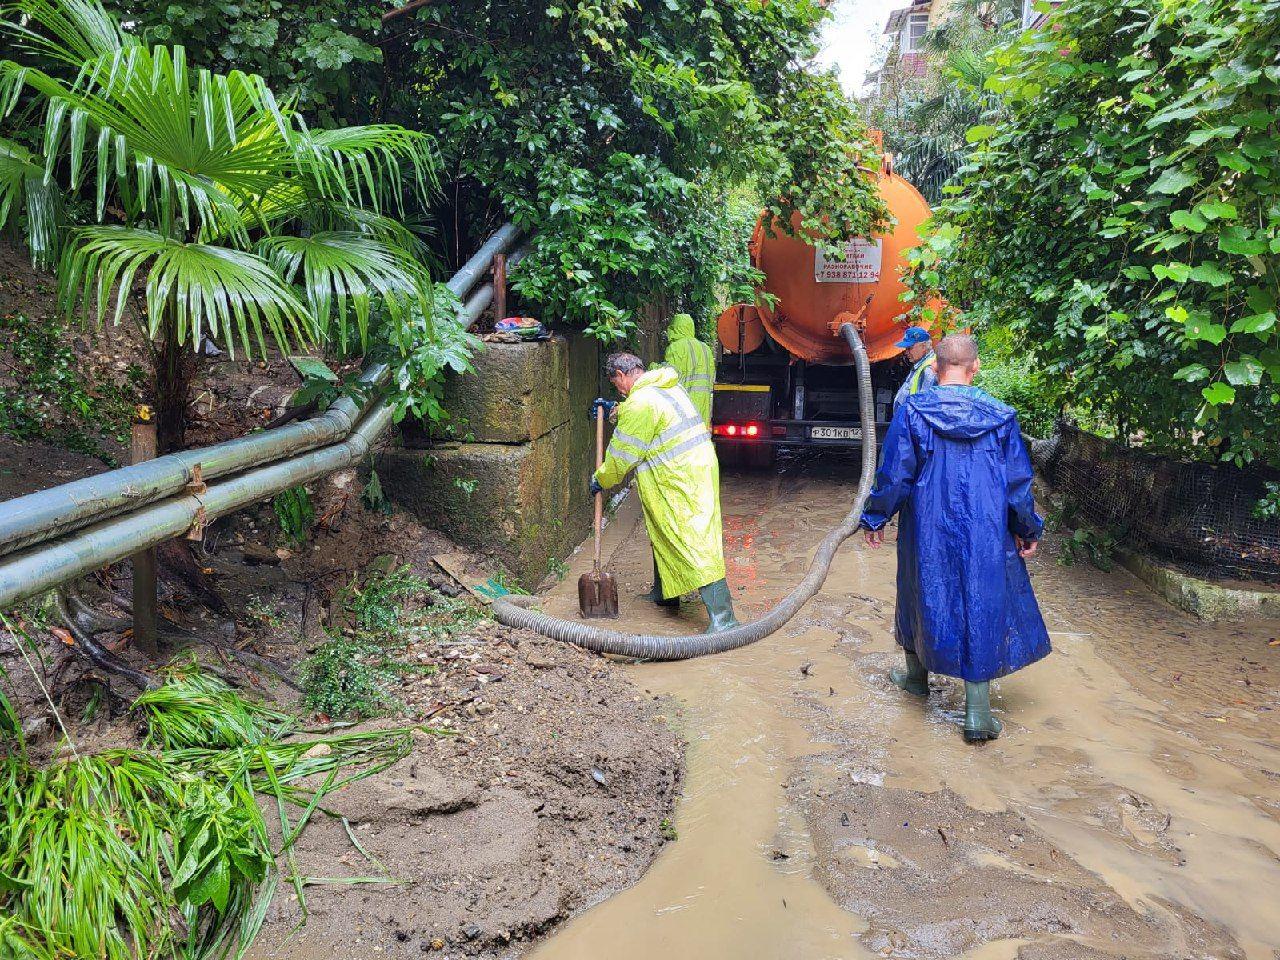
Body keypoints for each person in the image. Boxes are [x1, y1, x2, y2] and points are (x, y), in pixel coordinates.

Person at [861, 333, 1050, 742]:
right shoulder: (1001, 416)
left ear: (934, 368)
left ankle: (916, 680)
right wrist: (1026, 528)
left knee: (918, 590)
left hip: (927, 526)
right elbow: (1018, 483)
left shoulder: (912, 411)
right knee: (980, 602)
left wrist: (876, 518)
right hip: (986, 529)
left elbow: (895, 475)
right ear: (976, 367)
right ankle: (977, 714)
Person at [588, 352, 739, 633]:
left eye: (616, 385)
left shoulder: (639, 404)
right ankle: (665, 594)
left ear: (621, 376)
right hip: (694, 467)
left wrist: (601, 479)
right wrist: (615, 410)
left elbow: (622, 458)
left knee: (693, 540)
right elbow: (652, 416)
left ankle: (724, 619)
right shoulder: (665, 385)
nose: (618, 391)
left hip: (678, 476)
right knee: (663, 530)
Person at [663, 312, 715, 427]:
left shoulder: (675, 347)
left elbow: (668, 376)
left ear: (674, 328)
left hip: (682, 404)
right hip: (703, 404)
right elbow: (712, 377)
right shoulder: (705, 348)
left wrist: (654, 368)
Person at [892, 325, 937, 411]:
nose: (906, 352)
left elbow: (924, 407)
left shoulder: (928, 369)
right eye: (906, 348)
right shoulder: (920, 366)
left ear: (923, 346)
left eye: (910, 348)